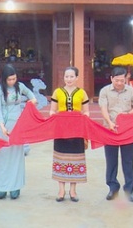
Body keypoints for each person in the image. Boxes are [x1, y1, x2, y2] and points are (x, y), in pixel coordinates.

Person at [0, 64, 37, 200]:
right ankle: (0, 187)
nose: (12, 82)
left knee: (16, 156)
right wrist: (2, 126)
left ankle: (15, 187)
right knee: (2, 156)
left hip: (18, 125)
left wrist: (31, 101)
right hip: (3, 127)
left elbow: (31, 95)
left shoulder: (20, 86)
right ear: (4, 78)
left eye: (14, 79)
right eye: (9, 79)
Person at [99, 66, 133, 202]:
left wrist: (127, 116)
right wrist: (109, 122)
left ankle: (129, 189)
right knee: (111, 161)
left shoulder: (131, 91)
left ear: (126, 79)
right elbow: (103, 108)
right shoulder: (105, 91)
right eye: (116, 80)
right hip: (109, 129)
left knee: (128, 161)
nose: (119, 83)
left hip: (128, 131)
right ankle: (113, 187)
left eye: (122, 80)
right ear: (112, 79)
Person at [49, 66, 90, 203]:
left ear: (77, 78)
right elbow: (52, 111)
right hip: (61, 130)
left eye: (72, 76)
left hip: (77, 130)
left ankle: (73, 190)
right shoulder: (57, 92)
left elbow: (86, 112)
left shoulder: (82, 93)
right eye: (66, 76)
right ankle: (61, 190)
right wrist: (58, 117)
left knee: (75, 159)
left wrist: (82, 117)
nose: (69, 79)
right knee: (61, 157)